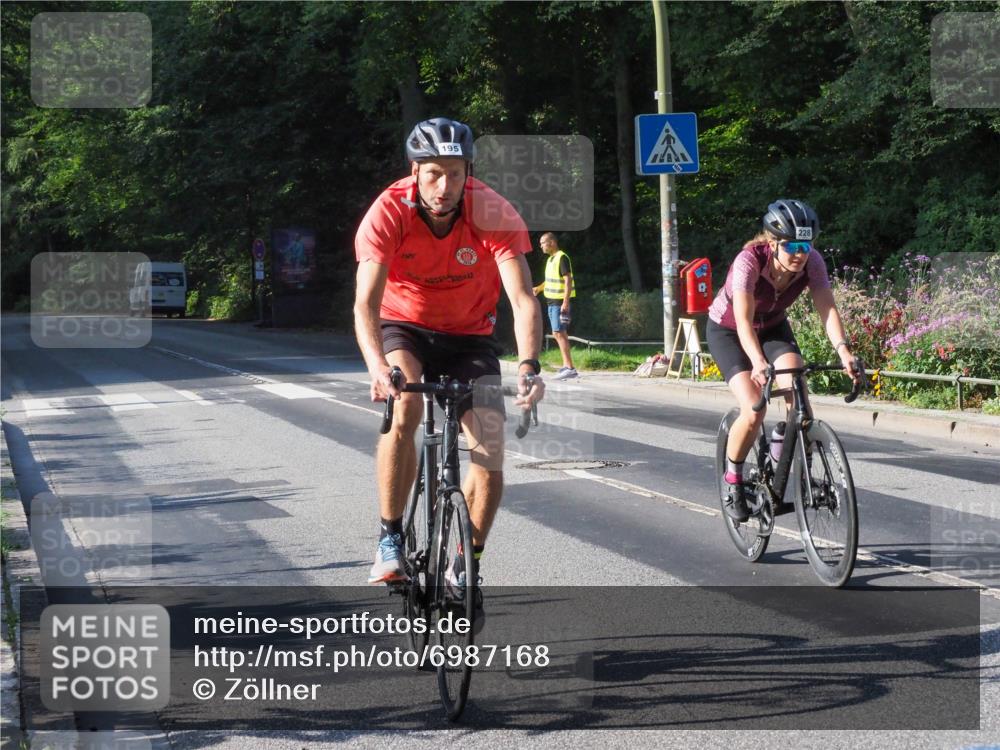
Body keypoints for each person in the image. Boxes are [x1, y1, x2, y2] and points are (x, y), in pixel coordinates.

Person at [354, 117, 545, 595]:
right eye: (434, 173)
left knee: (491, 448)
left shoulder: (491, 210)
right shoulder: (388, 211)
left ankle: (467, 562)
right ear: (415, 171)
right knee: (406, 406)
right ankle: (390, 537)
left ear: (468, 173)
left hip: (469, 336)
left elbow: (523, 300)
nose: (444, 186)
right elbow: (365, 305)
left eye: (456, 173)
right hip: (405, 327)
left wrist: (529, 366)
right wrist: (378, 367)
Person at [706, 199, 859, 522]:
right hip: (730, 332)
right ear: (773, 243)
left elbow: (826, 308)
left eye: (806, 244)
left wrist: (844, 351)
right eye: (792, 245)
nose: (800, 253)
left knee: (798, 392)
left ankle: (786, 463)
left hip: (774, 327)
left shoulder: (812, 263)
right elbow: (743, 321)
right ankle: (733, 479)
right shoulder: (748, 261)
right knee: (754, 408)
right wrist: (758, 362)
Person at [532, 232, 577, 380]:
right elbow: (551, 280)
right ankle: (566, 365)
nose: (541, 246)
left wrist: (565, 302)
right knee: (558, 332)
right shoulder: (551, 259)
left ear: (551, 242)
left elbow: (568, 280)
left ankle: (570, 368)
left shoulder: (561, 257)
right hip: (552, 301)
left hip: (559, 302)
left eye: (542, 243)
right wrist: (539, 288)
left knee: (559, 332)